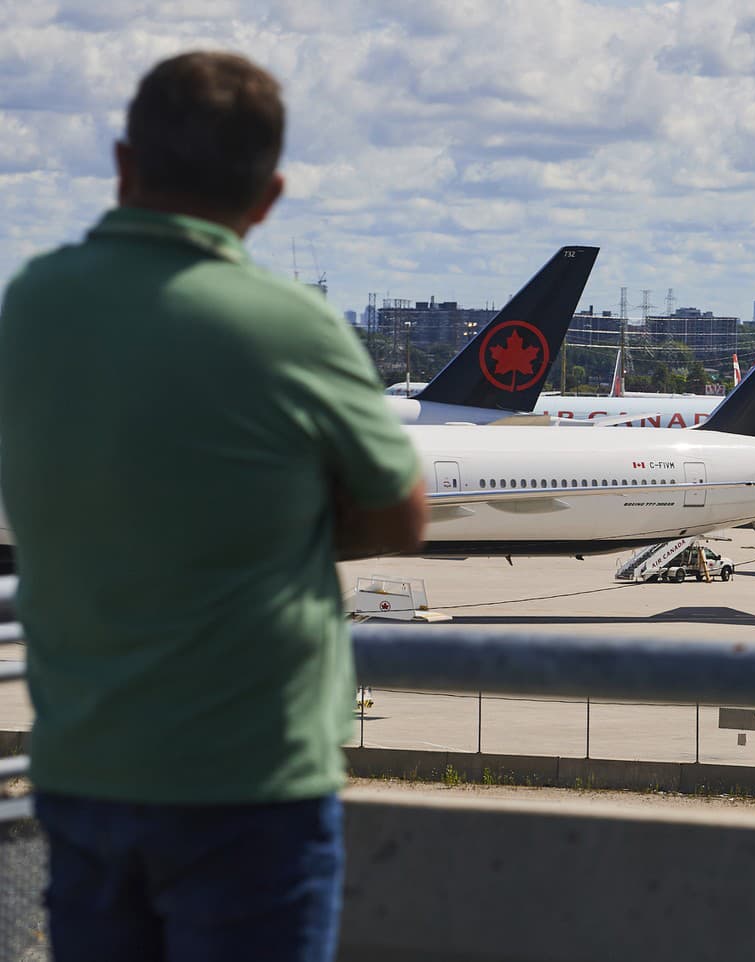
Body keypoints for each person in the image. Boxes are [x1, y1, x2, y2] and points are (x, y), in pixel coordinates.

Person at [0, 52, 426, 961]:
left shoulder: (31, 304)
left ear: (123, 165)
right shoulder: (292, 325)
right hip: (249, 780)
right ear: (269, 197)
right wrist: (290, 528)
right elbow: (402, 515)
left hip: (83, 770)